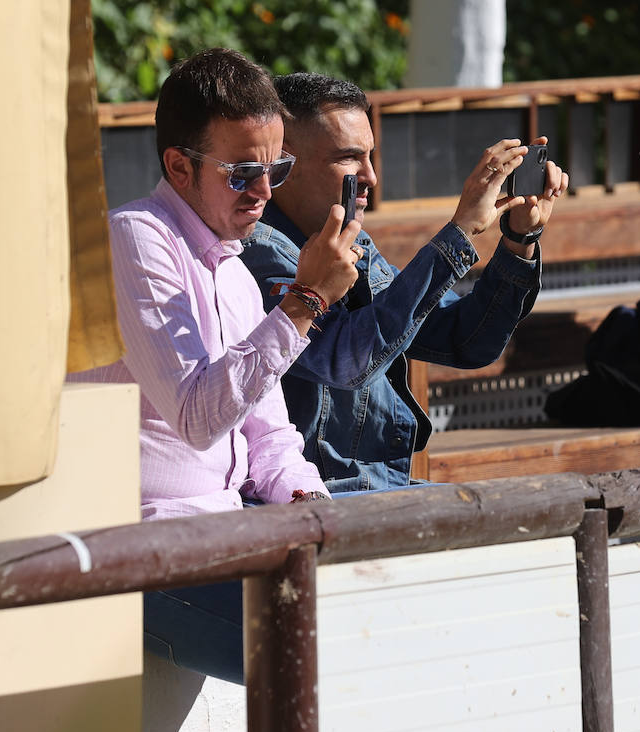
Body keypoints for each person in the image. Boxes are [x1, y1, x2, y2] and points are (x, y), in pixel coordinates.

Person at [70, 47, 361, 679]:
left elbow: (270, 438)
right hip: (137, 545)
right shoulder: (133, 238)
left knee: (389, 596)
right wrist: (305, 302)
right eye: (242, 173)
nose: (264, 193)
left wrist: (317, 511)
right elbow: (199, 419)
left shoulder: (234, 268)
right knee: (320, 648)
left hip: (225, 528)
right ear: (179, 166)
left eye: (276, 170)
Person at [239, 73, 567, 492]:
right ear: (284, 166)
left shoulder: (352, 241)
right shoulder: (256, 253)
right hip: (314, 496)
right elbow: (345, 361)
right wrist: (460, 232)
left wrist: (519, 240)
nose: (370, 176)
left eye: (370, 156)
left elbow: (467, 341)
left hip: (381, 487)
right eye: (348, 158)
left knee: (531, 505)